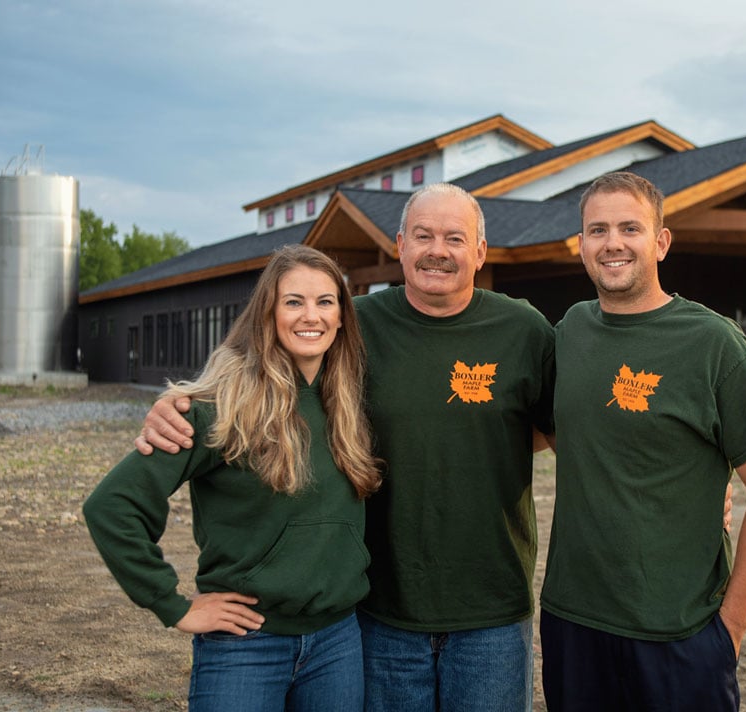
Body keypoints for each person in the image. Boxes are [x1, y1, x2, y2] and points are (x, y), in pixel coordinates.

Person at [136, 183, 557, 711]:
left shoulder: (523, 329)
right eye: (423, 235)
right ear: (400, 244)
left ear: (480, 251)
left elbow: (560, 428)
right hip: (379, 611)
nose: (438, 250)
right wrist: (182, 401)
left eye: (455, 237)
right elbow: (267, 357)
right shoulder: (354, 323)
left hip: (493, 611)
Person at [84, 245, 382, 712]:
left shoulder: (349, 402)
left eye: (326, 301)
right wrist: (174, 605)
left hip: (338, 643)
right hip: (245, 645)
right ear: (268, 312)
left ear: (343, 316)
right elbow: (112, 506)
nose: (312, 315)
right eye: (293, 301)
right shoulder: (220, 406)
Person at [538, 172, 746, 711]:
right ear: (581, 245)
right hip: (574, 621)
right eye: (597, 229)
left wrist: (729, 632)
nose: (613, 242)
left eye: (630, 227)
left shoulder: (712, 343)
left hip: (681, 630)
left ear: (661, 241)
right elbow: (560, 433)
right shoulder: (571, 332)